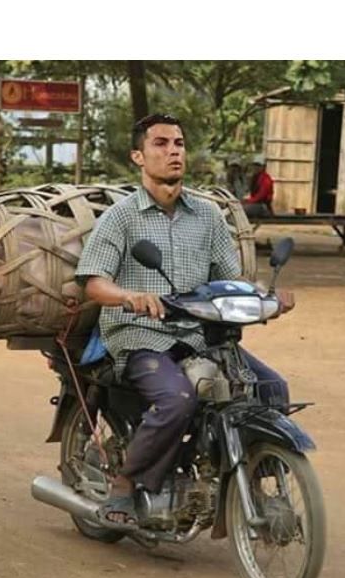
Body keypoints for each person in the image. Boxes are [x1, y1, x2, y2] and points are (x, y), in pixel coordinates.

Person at [75, 114, 294, 527]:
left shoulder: (208, 215)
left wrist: (267, 295)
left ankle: (254, 482)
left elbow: (231, 279)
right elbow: (94, 283)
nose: (173, 150)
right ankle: (125, 485)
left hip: (201, 333)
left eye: (178, 143)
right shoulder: (121, 217)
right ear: (138, 156)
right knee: (177, 399)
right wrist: (131, 296)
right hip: (142, 335)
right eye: (160, 143)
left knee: (272, 389)